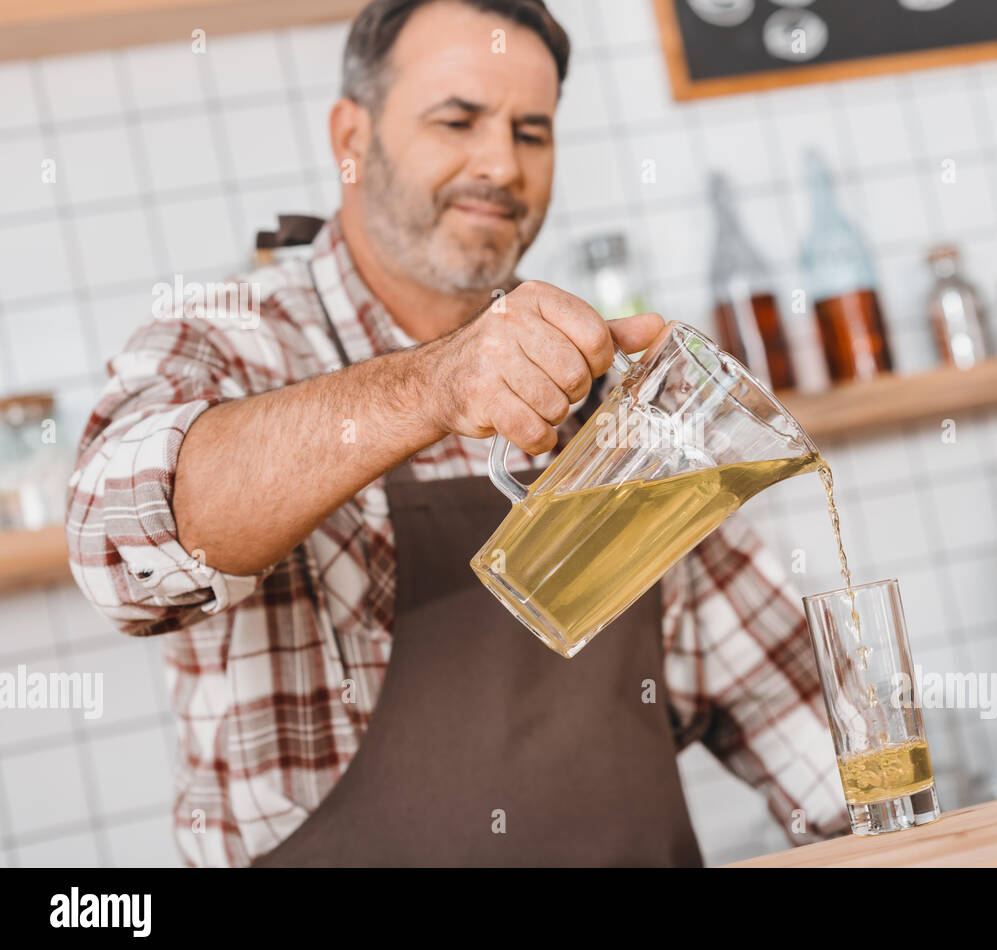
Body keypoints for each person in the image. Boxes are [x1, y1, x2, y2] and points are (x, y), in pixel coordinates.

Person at [66, 0, 850, 866]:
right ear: (350, 137)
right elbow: (115, 556)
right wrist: (437, 383)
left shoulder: (614, 405)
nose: (500, 165)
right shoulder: (229, 339)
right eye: (458, 120)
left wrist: (904, 817)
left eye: (532, 131)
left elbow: (812, 732)